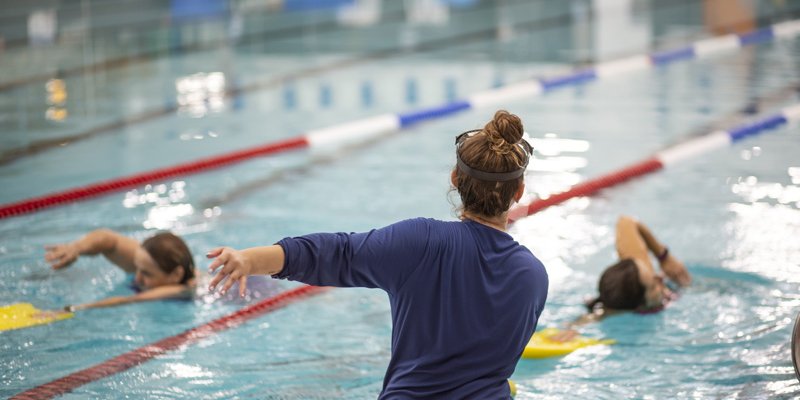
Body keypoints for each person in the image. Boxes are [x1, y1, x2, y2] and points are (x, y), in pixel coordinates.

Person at [206, 110, 549, 399]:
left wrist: (251, 260)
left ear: (455, 179)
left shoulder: (421, 242)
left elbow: (334, 254)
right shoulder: (533, 276)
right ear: (518, 192)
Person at [551, 216, 691, 340]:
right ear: (640, 304)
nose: (659, 277)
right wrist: (573, 327)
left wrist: (663, 257)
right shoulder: (626, 310)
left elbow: (626, 221)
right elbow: (598, 315)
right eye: (653, 286)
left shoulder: (638, 270)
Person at [44, 229, 196, 311]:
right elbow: (109, 239)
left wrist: (69, 310)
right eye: (137, 268)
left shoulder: (183, 290)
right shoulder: (149, 259)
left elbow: (127, 300)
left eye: (146, 274)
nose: (137, 278)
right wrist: (76, 248)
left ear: (176, 274)